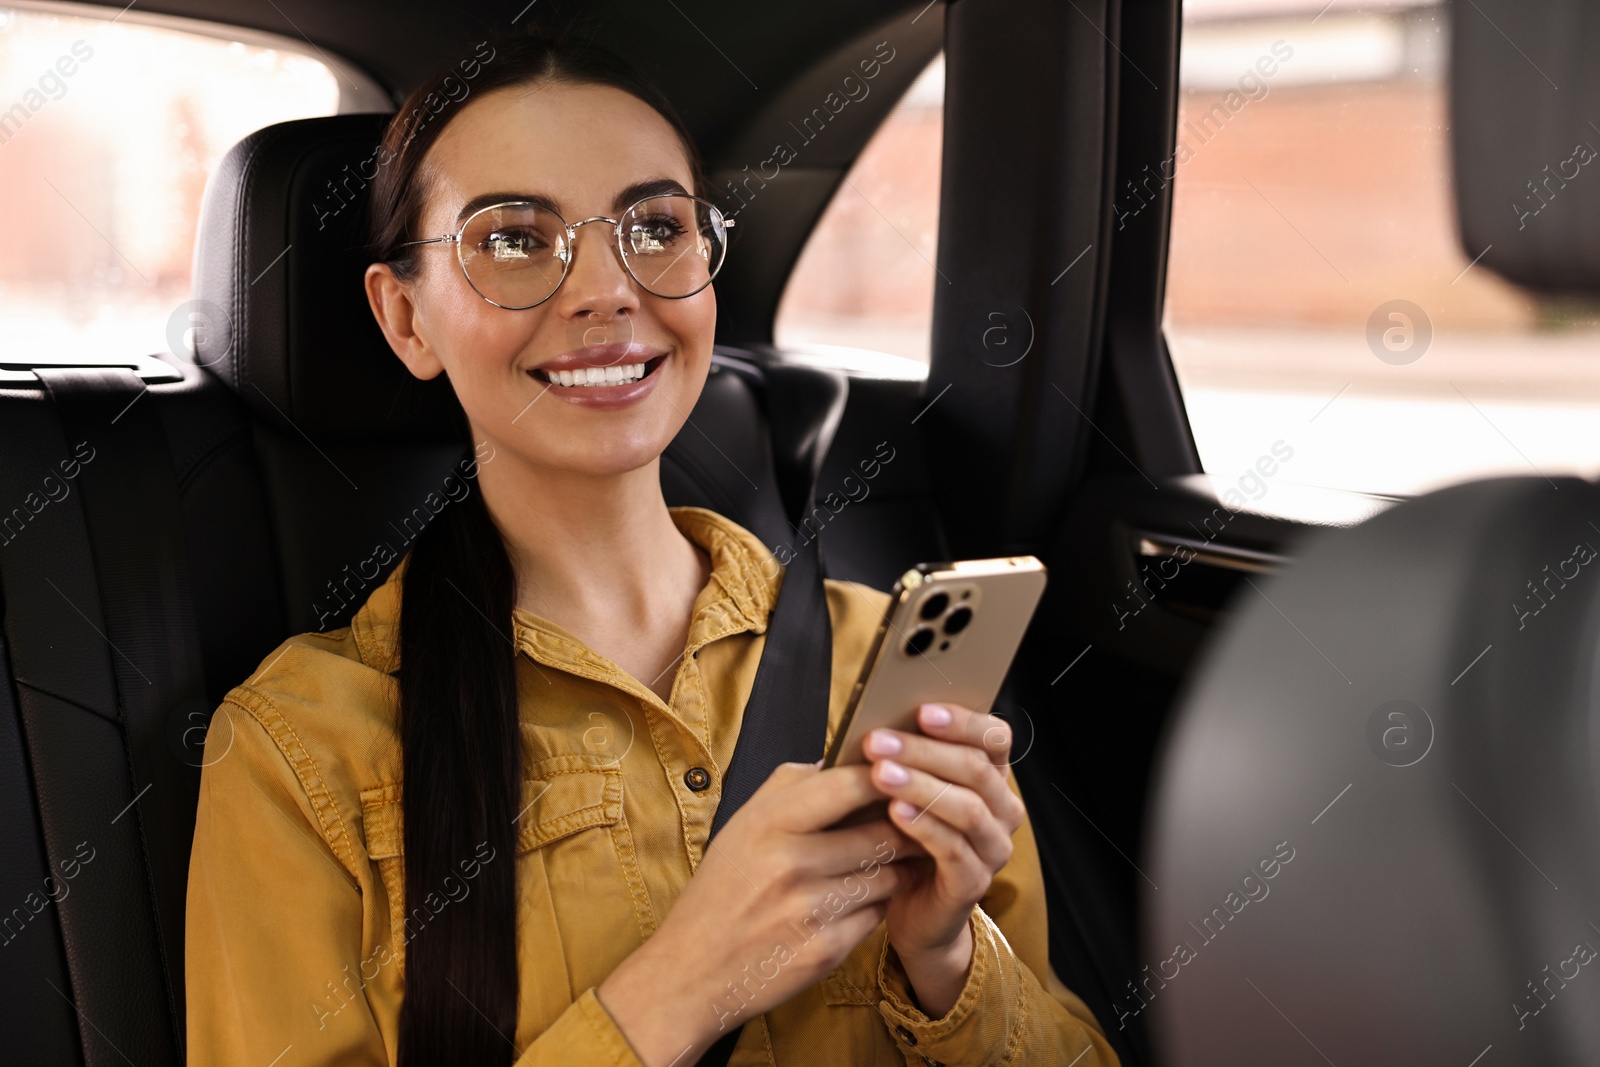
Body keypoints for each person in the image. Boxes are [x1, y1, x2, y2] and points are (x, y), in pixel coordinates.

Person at [184, 32, 1118, 1067]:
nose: (605, 290)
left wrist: (945, 955)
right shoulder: (296, 749)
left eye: (654, 226)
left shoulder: (882, 664)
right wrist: (679, 987)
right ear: (405, 317)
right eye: (512, 240)